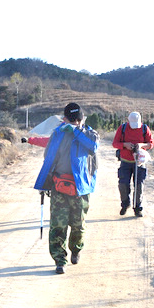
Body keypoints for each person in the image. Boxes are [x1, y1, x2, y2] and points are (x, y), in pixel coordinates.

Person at [28, 102, 99, 274]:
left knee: (78, 225)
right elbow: (48, 157)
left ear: (81, 119)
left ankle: (76, 249)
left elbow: (93, 147)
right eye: (69, 120)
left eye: (74, 121)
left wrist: (75, 131)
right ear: (65, 119)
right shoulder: (58, 133)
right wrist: (45, 182)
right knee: (57, 225)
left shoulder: (90, 134)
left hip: (80, 189)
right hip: (59, 186)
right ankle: (60, 260)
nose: (71, 123)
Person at [112, 111, 153, 217]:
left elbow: (150, 144)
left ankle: (138, 208)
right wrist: (124, 145)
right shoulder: (122, 128)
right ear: (128, 121)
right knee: (123, 184)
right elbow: (115, 143)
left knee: (139, 186)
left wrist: (141, 145)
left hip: (139, 163)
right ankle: (125, 204)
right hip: (125, 162)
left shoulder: (144, 129)